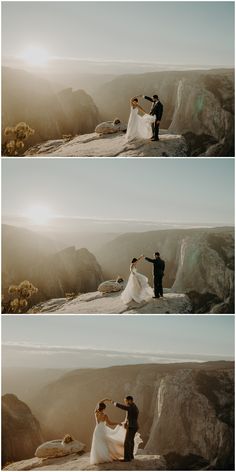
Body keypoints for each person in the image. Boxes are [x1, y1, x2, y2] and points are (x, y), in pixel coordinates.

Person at [106, 396, 140, 462]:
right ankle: (130, 456)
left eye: (126, 401)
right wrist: (126, 422)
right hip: (134, 426)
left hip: (131, 426)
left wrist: (113, 402)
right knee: (131, 441)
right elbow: (131, 417)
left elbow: (122, 407)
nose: (125, 402)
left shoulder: (131, 407)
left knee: (127, 442)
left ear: (130, 400)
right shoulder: (134, 406)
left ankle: (127, 459)